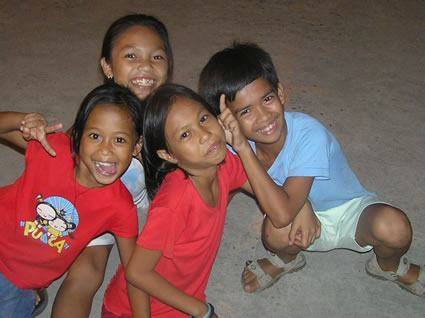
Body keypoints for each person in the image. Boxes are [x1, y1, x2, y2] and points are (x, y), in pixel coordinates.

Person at [198, 42, 424, 297]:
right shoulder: (232, 151)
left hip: (349, 212)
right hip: (293, 218)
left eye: (268, 99)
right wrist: (301, 205)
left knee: (395, 228)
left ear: (281, 93)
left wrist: (244, 149)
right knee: (274, 232)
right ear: (227, 121)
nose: (263, 117)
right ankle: (286, 259)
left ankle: (389, 266)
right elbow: (225, 191)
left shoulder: (309, 133)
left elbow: (282, 212)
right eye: (246, 111)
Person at [101, 83, 315, 317]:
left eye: (203, 119)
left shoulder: (224, 166)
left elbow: (268, 194)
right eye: (185, 134)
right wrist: (202, 311)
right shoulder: (174, 204)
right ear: (169, 155)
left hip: (183, 300)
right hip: (134, 311)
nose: (204, 135)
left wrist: (302, 204)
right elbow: (137, 273)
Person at [48, 13, 173, 317]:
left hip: (149, 207)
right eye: (131, 55)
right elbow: (61, 157)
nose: (145, 66)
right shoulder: (98, 119)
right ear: (107, 66)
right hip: (101, 207)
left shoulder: (174, 111)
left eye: (157, 56)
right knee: (86, 273)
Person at [0, 83, 145, 317]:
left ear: (137, 146)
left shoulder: (120, 207)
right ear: (77, 137)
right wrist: (22, 120)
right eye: (95, 136)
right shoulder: (52, 149)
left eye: (119, 140)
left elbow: (136, 273)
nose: (106, 150)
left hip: (18, 283)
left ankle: (29, 295)